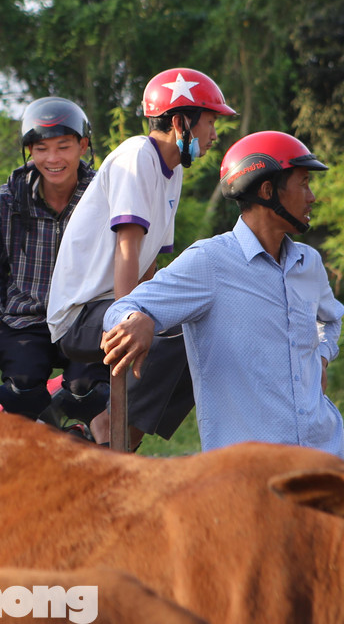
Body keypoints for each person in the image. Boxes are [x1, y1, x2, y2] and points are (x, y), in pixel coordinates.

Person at [100, 131, 344, 461]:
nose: (312, 196)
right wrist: (139, 320)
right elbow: (124, 308)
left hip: (327, 452)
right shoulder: (209, 262)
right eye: (303, 183)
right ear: (267, 190)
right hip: (248, 471)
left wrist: (321, 356)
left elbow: (330, 321)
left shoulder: (309, 262)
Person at [46, 68, 236, 448]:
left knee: (208, 324)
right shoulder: (137, 156)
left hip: (114, 303)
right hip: (81, 315)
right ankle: (111, 427)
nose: (214, 135)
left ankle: (121, 438)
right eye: (210, 121)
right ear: (182, 121)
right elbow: (128, 249)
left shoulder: (172, 171)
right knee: (185, 328)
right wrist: (130, 317)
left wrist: (157, 308)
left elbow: (150, 264)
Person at [0, 96, 104, 426]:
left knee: (87, 393)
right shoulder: (8, 201)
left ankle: (72, 433)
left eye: (63, 146)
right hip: (26, 320)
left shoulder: (104, 195)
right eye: (42, 148)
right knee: (22, 389)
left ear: (83, 145)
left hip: (83, 319)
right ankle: (31, 438)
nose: (53, 158)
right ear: (29, 151)